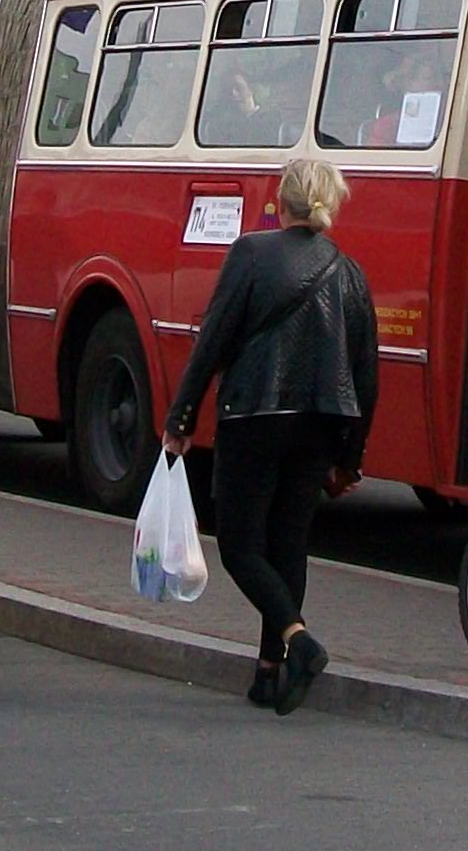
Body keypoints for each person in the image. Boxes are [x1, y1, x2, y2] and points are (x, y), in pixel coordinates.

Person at [160, 155, 381, 715]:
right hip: (319, 426)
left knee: (239, 545)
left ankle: (298, 641)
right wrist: (350, 459)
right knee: (288, 544)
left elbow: (213, 339)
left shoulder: (251, 254)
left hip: (256, 416)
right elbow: (366, 374)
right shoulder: (349, 273)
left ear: (281, 201)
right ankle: (268, 672)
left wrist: (181, 418)